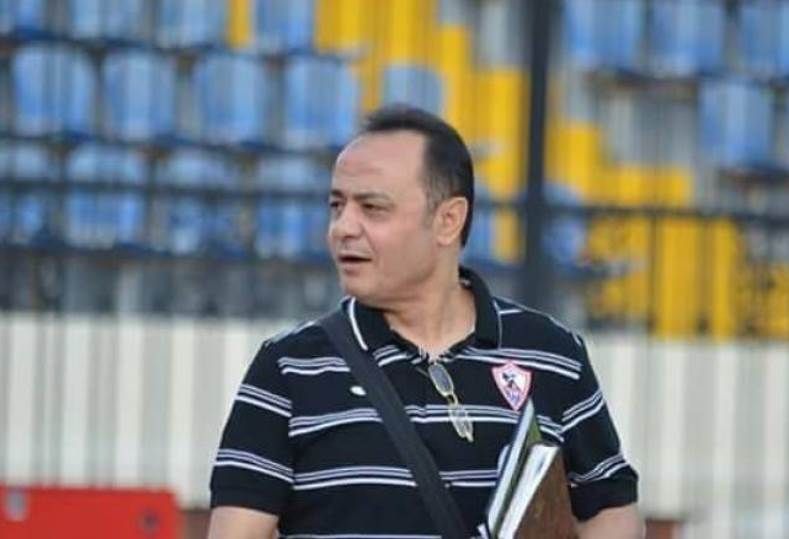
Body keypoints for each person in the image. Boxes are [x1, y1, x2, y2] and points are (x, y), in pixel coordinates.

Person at [208, 105, 643, 538]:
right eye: (337, 206)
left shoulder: (553, 355)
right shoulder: (288, 367)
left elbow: (611, 512)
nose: (343, 228)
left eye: (372, 208)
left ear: (448, 220)